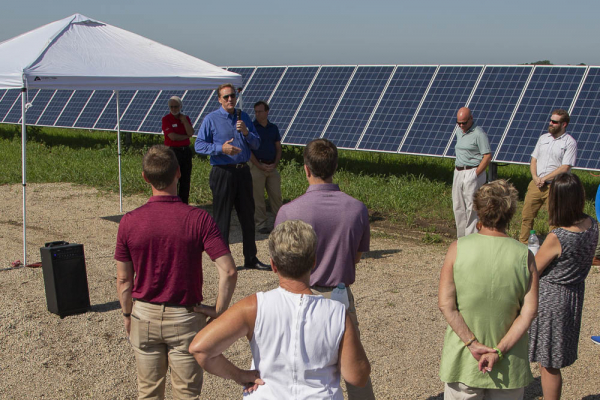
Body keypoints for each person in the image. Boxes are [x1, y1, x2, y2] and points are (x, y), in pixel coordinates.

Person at [188, 220, 371, 398]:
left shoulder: (254, 307)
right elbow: (357, 376)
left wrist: (240, 375)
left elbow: (200, 349)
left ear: (273, 265)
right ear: (313, 262)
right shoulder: (336, 313)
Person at [115, 145, 238, 399]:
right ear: (178, 173)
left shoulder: (128, 221)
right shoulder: (198, 219)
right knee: (186, 393)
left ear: (145, 177)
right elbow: (228, 271)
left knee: (148, 392)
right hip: (185, 317)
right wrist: (218, 311)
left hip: (144, 315)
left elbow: (125, 280)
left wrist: (128, 314)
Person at [274, 138, 374, 400]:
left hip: (298, 296)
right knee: (355, 373)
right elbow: (357, 256)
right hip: (339, 296)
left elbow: (281, 264)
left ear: (306, 169)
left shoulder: (288, 211)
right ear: (335, 166)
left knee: (303, 367)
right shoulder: (356, 209)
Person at [438, 179, 539, 399]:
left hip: (465, 361)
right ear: (510, 212)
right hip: (510, 364)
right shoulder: (525, 256)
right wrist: (499, 350)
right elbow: (529, 311)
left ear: (479, 210)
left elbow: (446, 304)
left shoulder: (457, 249)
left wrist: (473, 344)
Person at [529, 172, 598, 400]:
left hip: (551, 300)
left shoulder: (557, 236)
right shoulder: (592, 225)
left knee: (548, 363)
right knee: (553, 358)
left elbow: (533, 269)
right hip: (573, 295)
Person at [195, 83, 270, 270]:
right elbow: (199, 145)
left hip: (243, 171)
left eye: (232, 97)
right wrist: (221, 148)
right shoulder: (211, 119)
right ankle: (224, 262)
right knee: (223, 218)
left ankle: (251, 258)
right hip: (223, 172)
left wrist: (246, 132)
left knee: (247, 216)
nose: (230, 100)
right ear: (219, 99)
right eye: (226, 97)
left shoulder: (243, 117)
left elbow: (257, 144)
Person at [519, 109, 577, 244]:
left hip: (555, 186)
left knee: (554, 220)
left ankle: (552, 247)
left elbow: (565, 167)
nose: (550, 123)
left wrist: (544, 178)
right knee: (527, 216)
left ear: (564, 125)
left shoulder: (569, 142)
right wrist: (535, 177)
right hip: (536, 184)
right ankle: (523, 245)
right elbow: (534, 159)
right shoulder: (543, 138)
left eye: (555, 122)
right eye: (550, 120)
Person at [452, 107, 492, 238]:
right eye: (459, 123)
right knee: (458, 206)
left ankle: (471, 239)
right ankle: (461, 238)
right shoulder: (459, 131)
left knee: (471, 208)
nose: (461, 125)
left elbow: (487, 156)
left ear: (471, 119)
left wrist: (475, 174)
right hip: (458, 171)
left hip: (472, 171)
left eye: (464, 122)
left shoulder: (479, 134)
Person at [249, 101, 282, 234]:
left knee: (276, 196)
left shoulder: (273, 128)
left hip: (272, 166)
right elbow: (249, 150)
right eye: (256, 111)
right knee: (258, 197)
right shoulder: (251, 128)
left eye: (260, 111)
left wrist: (275, 163)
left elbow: (278, 147)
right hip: (257, 166)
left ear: (267, 112)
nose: (257, 114)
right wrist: (259, 165)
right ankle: (261, 224)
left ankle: (279, 223)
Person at [161, 96, 194, 204]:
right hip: (173, 152)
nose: (174, 109)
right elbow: (173, 137)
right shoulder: (166, 119)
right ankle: (172, 203)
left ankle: (184, 203)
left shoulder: (185, 118)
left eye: (176, 106)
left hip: (185, 151)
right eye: (171, 107)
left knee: (185, 179)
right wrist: (186, 136)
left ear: (180, 107)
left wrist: (184, 121)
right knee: (173, 179)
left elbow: (191, 132)